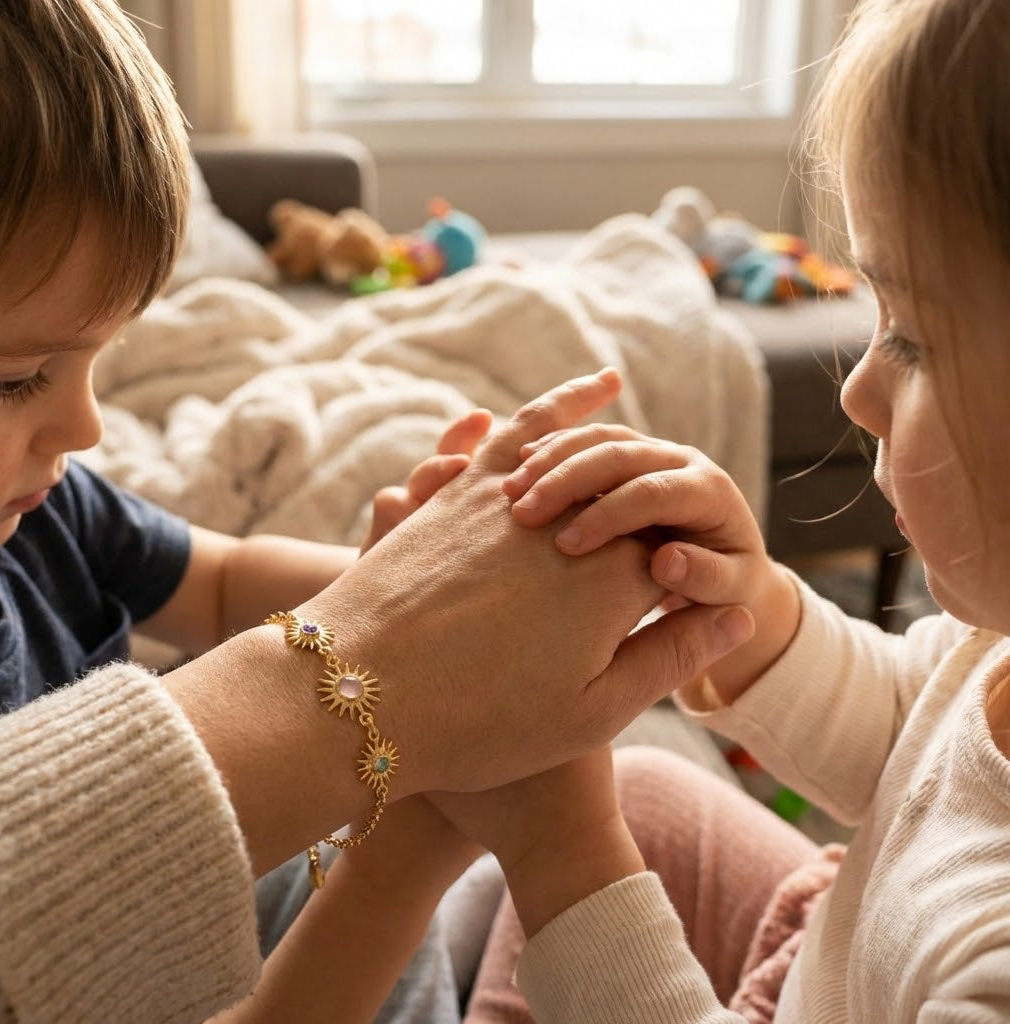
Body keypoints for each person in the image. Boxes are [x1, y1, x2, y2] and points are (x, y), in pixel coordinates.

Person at [0, 4, 758, 1021]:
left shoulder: (42, 513)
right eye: (15, 377)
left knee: (644, 792)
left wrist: (439, 592)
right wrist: (406, 837)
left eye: (98, 357)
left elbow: (222, 581)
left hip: (208, 917)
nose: (85, 424)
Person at [389, 0, 1010, 1020]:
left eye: (912, 339)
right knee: (645, 794)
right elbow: (908, 729)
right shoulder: (995, 645)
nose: (857, 392)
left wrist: (561, 847)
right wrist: (743, 605)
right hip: (827, 961)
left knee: (595, 847)